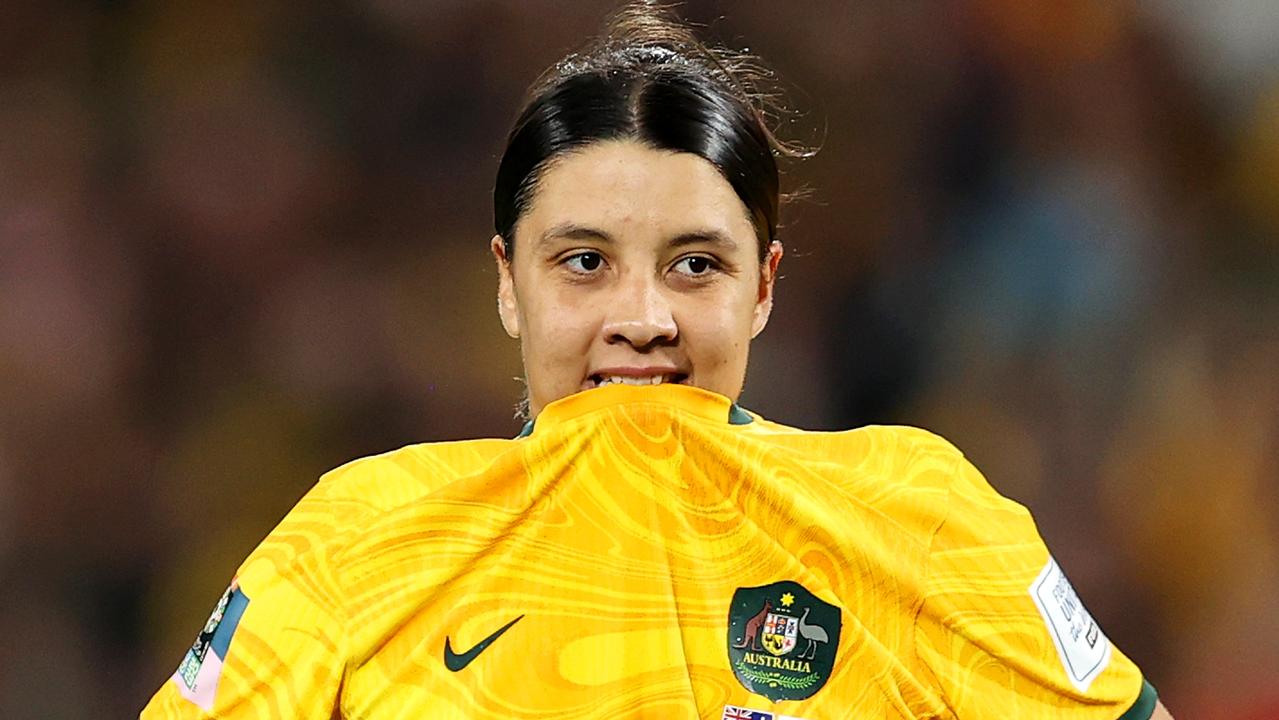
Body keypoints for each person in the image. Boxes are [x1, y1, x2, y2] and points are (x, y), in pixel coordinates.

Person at [142, 3, 1173, 718]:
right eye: (584, 262)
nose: (642, 318)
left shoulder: (921, 516)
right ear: (509, 283)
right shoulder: (357, 543)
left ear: (762, 288)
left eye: (694, 265)